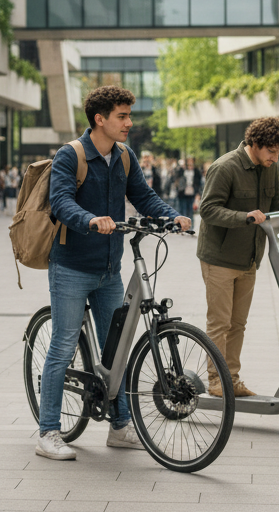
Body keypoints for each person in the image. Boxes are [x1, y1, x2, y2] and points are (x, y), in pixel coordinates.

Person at [36, 86, 188, 460]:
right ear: (99, 119)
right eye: (122, 116)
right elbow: (60, 202)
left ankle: (119, 426)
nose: (128, 123)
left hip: (109, 269)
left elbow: (143, 195)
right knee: (62, 346)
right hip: (71, 267)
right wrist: (90, 220)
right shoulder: (70, 156)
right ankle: (48, 431)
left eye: (128, 116)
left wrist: (171, 216)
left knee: (116, 349)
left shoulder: (123, 156)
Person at [197, 117, 279, 398]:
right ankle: (215, 381)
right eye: (271, 152)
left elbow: (274, 202)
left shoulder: (268, 168)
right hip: (220, 258)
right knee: (219, 324)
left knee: (238, 324)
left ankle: (231, 379)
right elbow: (208, 209)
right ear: (255, 144)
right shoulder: (225, 167)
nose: (275, 158)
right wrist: (244, 217)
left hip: (249, 258)